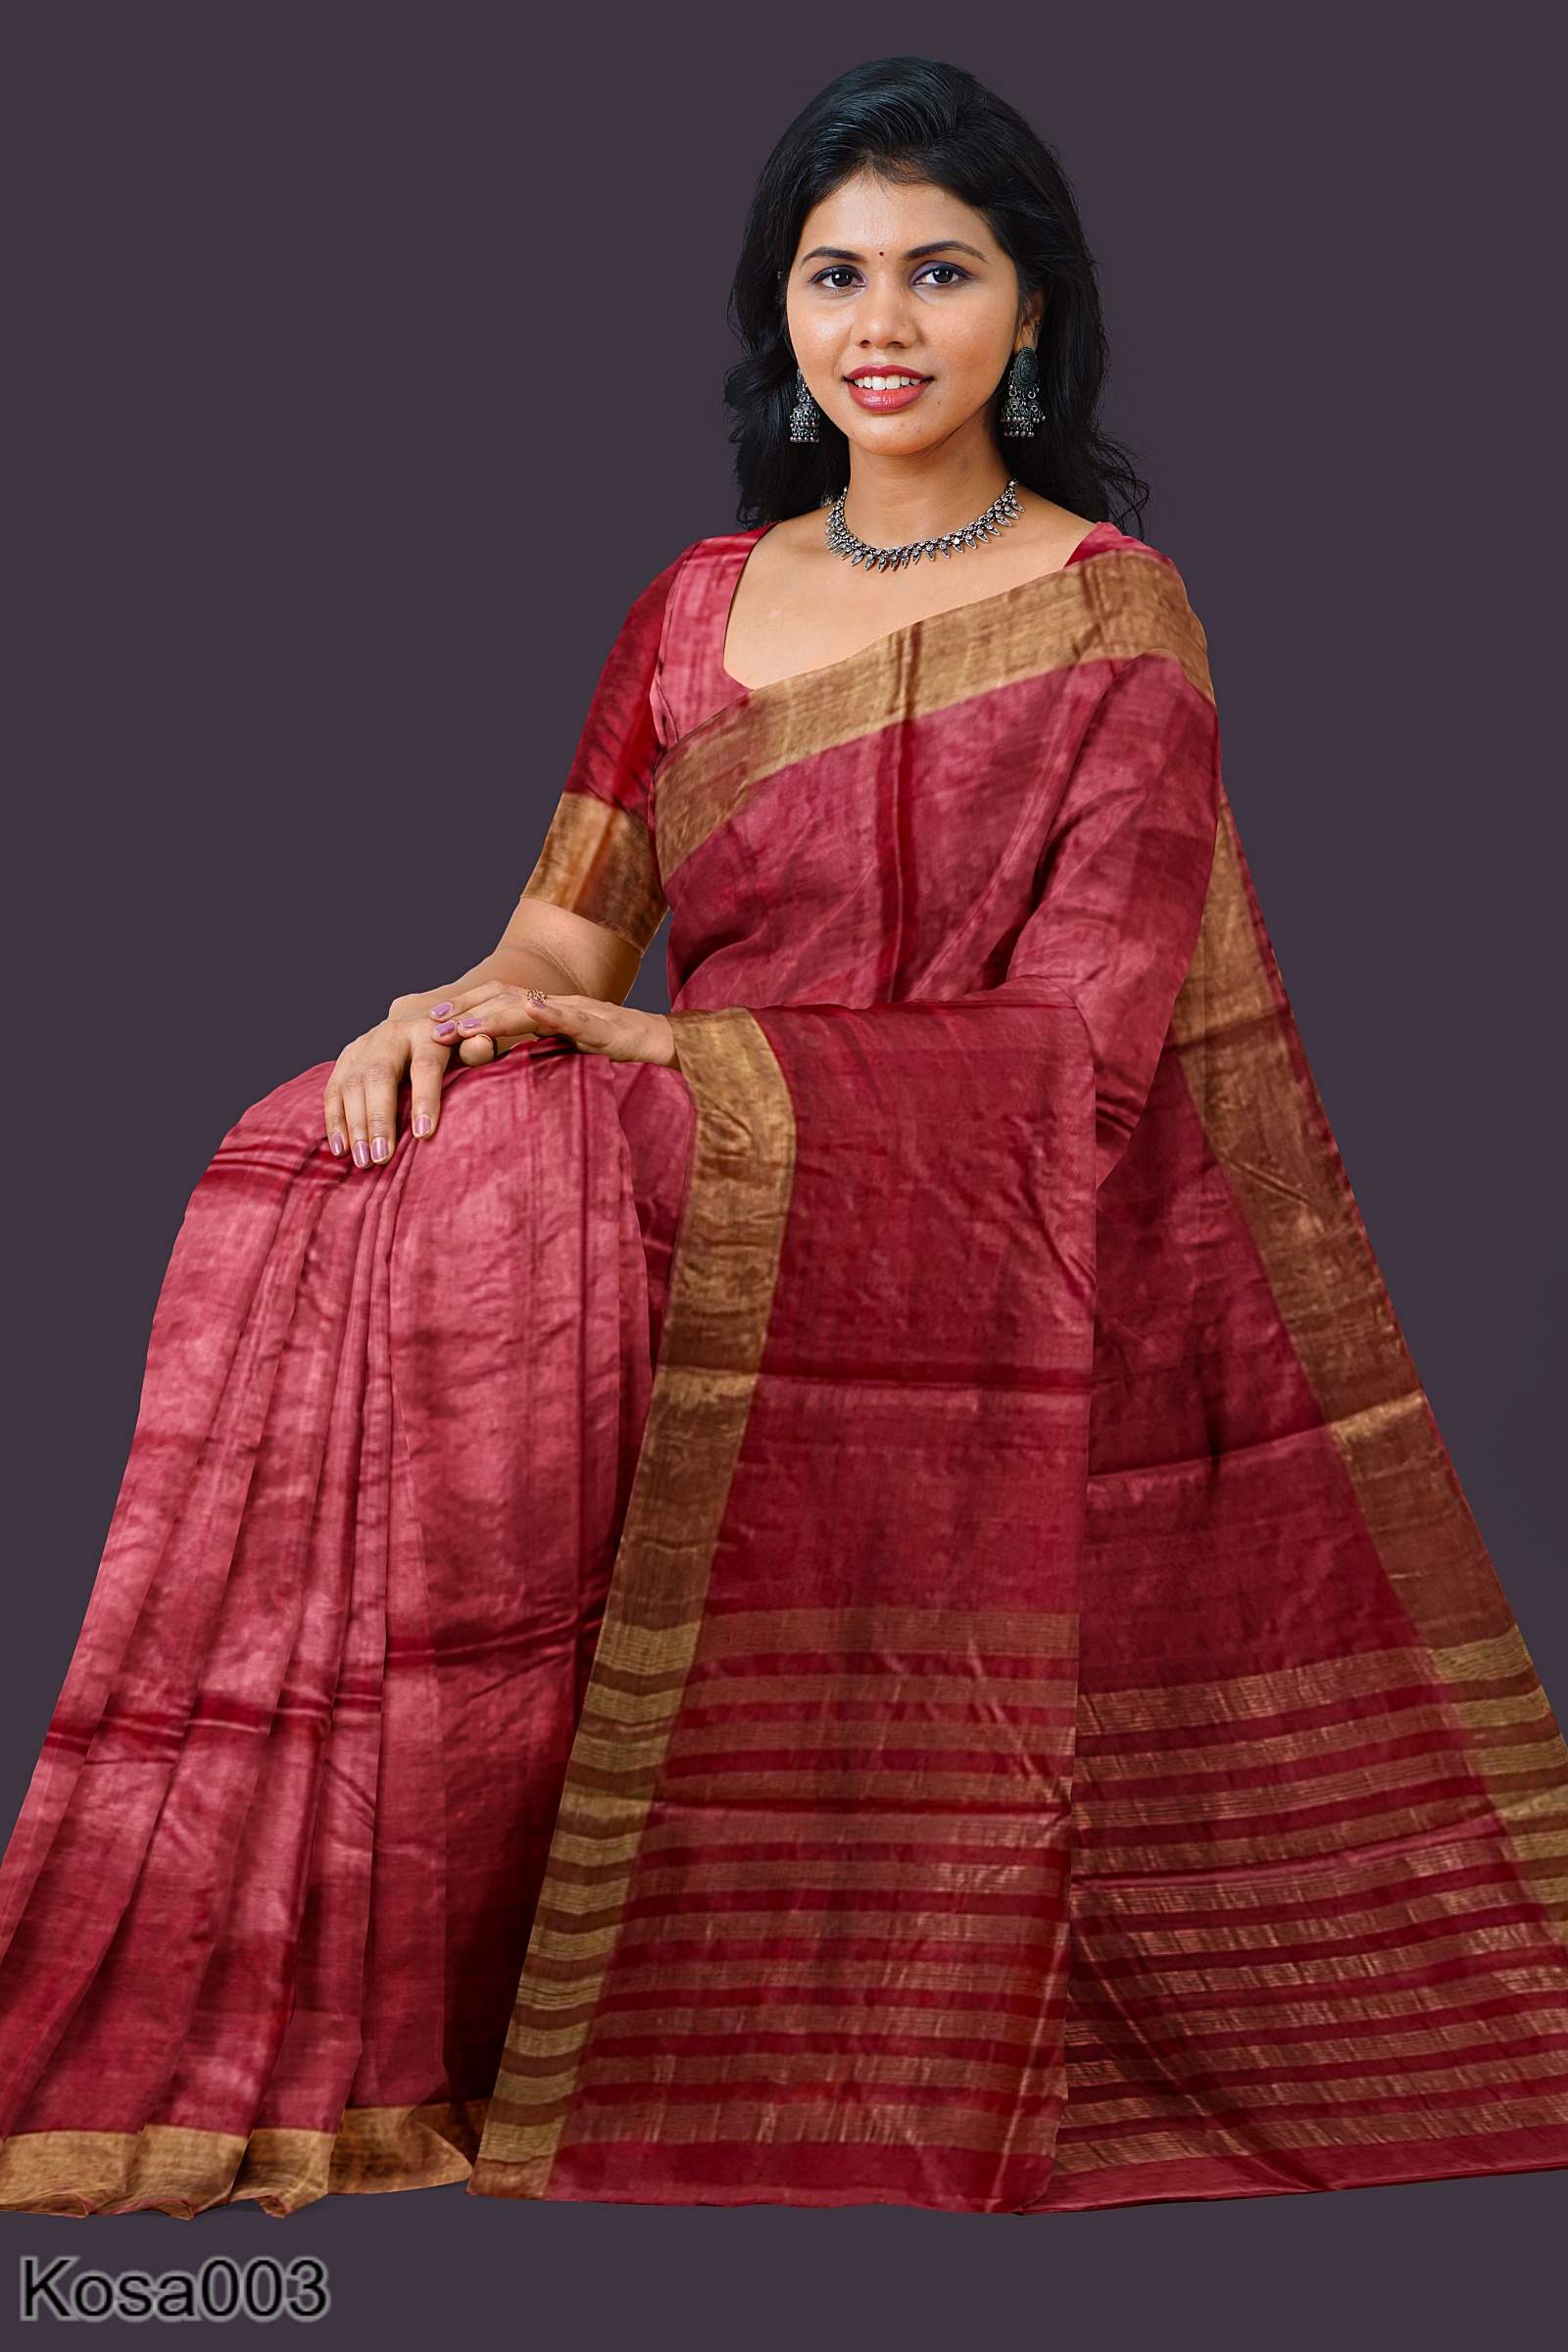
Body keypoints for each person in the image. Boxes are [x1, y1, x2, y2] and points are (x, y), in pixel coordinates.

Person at [3, 55, 1565, 2225]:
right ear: (780, 309)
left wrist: (679, 1063)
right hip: (703, 1153)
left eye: (941, 270)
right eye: (835, 275)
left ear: (1033, 307)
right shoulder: (690, 604)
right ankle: (383, 1972)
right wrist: (438, 1015)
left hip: (954, 1205)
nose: (882, 324)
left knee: (523, 1177)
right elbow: (566, 933)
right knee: (337, 1159)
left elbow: (1090, 1046)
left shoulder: (1116, 613)